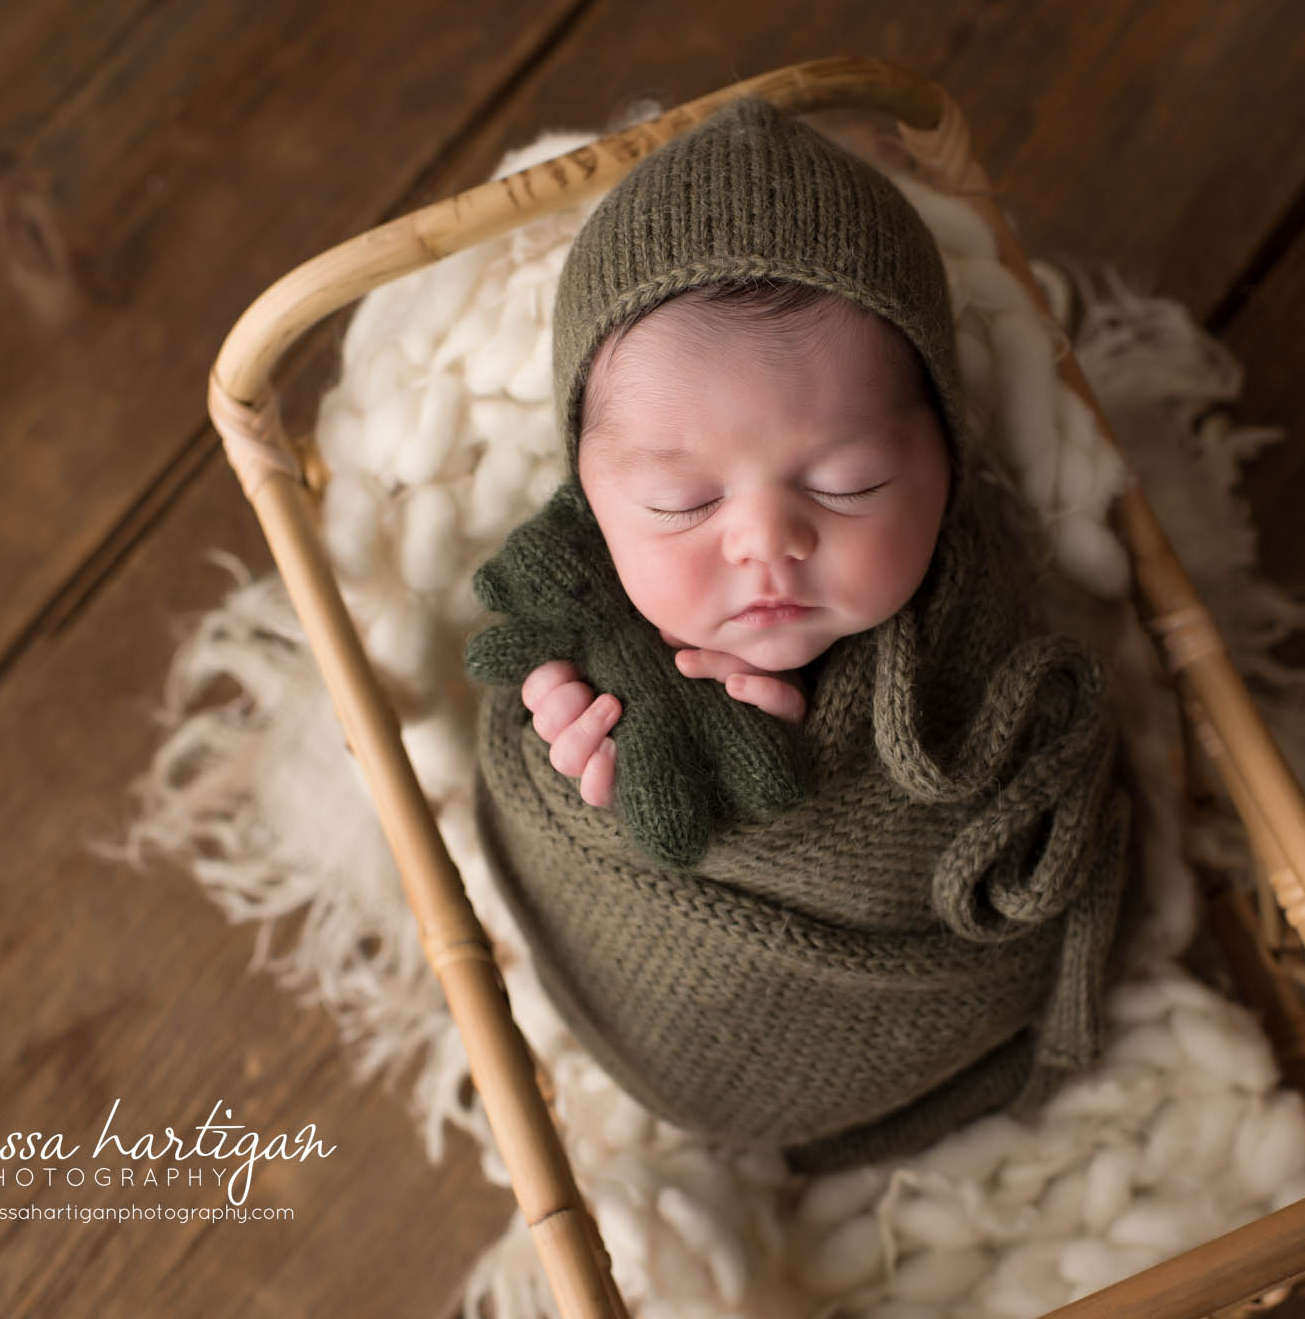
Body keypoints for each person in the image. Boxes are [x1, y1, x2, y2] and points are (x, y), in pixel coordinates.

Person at [465, 97, 1139, 1172]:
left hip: (917, 1022)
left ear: (947, 461)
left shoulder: (984, 629)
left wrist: (812, 788)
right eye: (682, 503)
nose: (767, 541)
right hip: (638, 996)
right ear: (588, 497)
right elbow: (510, 767)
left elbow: (1045, 822)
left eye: (848, 483)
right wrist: (580, 767)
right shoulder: (575, 624)